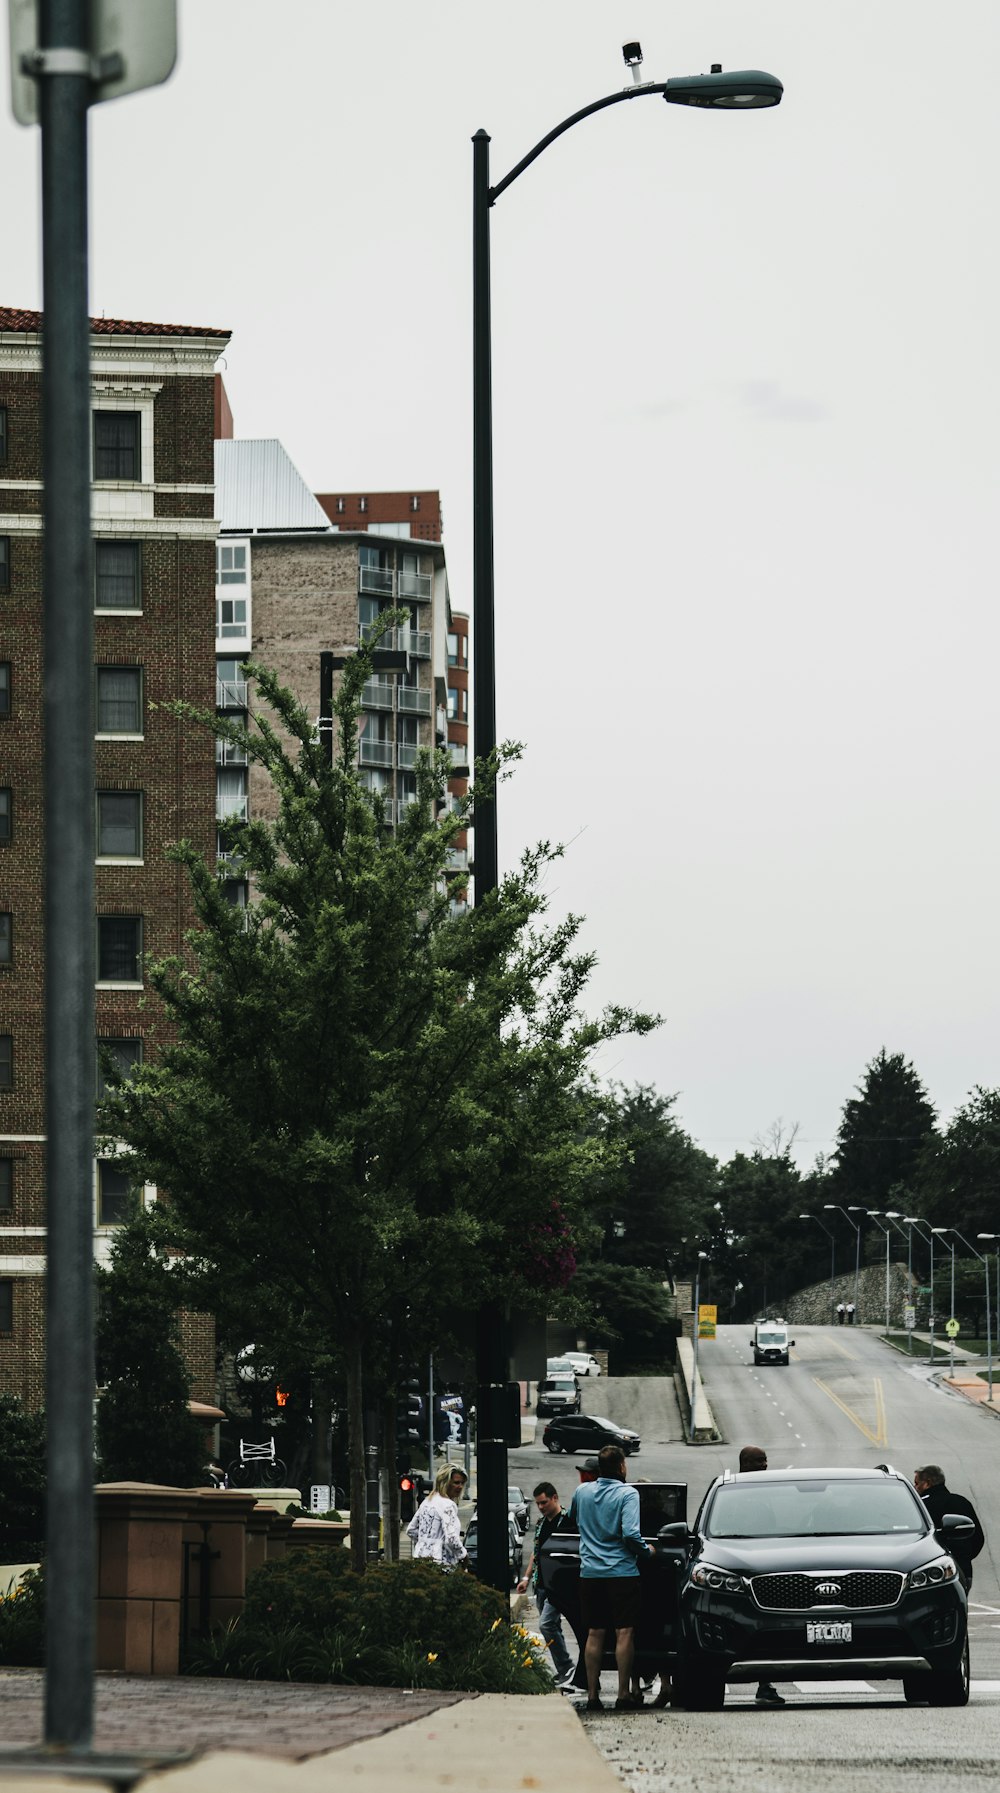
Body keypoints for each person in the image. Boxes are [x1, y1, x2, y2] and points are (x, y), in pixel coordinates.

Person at [565, 1443, 653, 1713]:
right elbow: (630, 1533)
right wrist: (646, 1551)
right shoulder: (628, 1495)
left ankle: (593, 1695)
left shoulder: (582, 1492)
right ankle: (624, 1693)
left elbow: (571, 1519)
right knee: (624, 1632)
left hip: (590, 1572)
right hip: (622, 1573)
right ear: (622, 1466)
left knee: (594, 1632)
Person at [516, 1481, 575, 1689]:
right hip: (540, 1583)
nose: (541, 1507)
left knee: (546, 1624)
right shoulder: (541, 1524)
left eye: (544, 1502)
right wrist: (526, 1577)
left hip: (558, 1585)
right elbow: (536, 1551)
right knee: (553, 1626)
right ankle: (564, 1671)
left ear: (555, 1498)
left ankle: (567, 1666)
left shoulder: (567, 1520)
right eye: (538, 1504)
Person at [739, 1445, 784, 1706]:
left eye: (765, 1460)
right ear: (745, 1463)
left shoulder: (761, 1490)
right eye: (758, 1461)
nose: (764, 1465)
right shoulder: (739, 1492)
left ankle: (765, 1684)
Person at [913, 1465, 985, 1590]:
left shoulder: (922, 1506)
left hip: (929, 1577)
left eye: (916, 1483)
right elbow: (978, 1538)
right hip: (963, 1570)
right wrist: (963, 1557)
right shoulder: (962, 1502)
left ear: (927, 1484)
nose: (915, 1488)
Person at [406, 1463, 470, 1570]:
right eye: (456, 1483)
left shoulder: (427, 1501)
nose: (460, 1487)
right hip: (441, 1564)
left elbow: (411, 1530)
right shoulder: (447, 1505)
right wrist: (463, 1555)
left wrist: (427, 1542)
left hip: (420, 1560)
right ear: (445, 1483)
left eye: (462, 1483)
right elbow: (451, 1539)